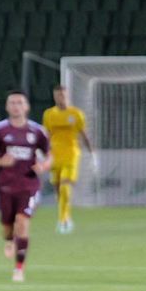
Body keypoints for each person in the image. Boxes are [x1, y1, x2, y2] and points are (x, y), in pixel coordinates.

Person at [0, 90, 51, 282]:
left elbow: (50, 155)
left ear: (26, 107)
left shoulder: (37, 131)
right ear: (7, 107)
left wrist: (44, 166)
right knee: (7, 227)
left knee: (22, 222)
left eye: (20, 102)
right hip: (5, 185)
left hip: (29, 184)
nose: (16, 106)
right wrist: (1, 162)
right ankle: (8, 240)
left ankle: (19, 269)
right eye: (12, 103)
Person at [42, 84, 94, 233]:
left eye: (63, 95)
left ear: (67, 96)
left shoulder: (76, 114)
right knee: (58, 189)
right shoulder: (49, 114)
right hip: (54, 155)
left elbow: (84, 134)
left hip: (71, 154)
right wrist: (42, 152)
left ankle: (63, 221)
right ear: (54, 97)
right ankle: (66, 215)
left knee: (65, 186)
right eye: (58, 95)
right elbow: (46, 135)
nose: (61, 97)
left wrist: (92, 154)